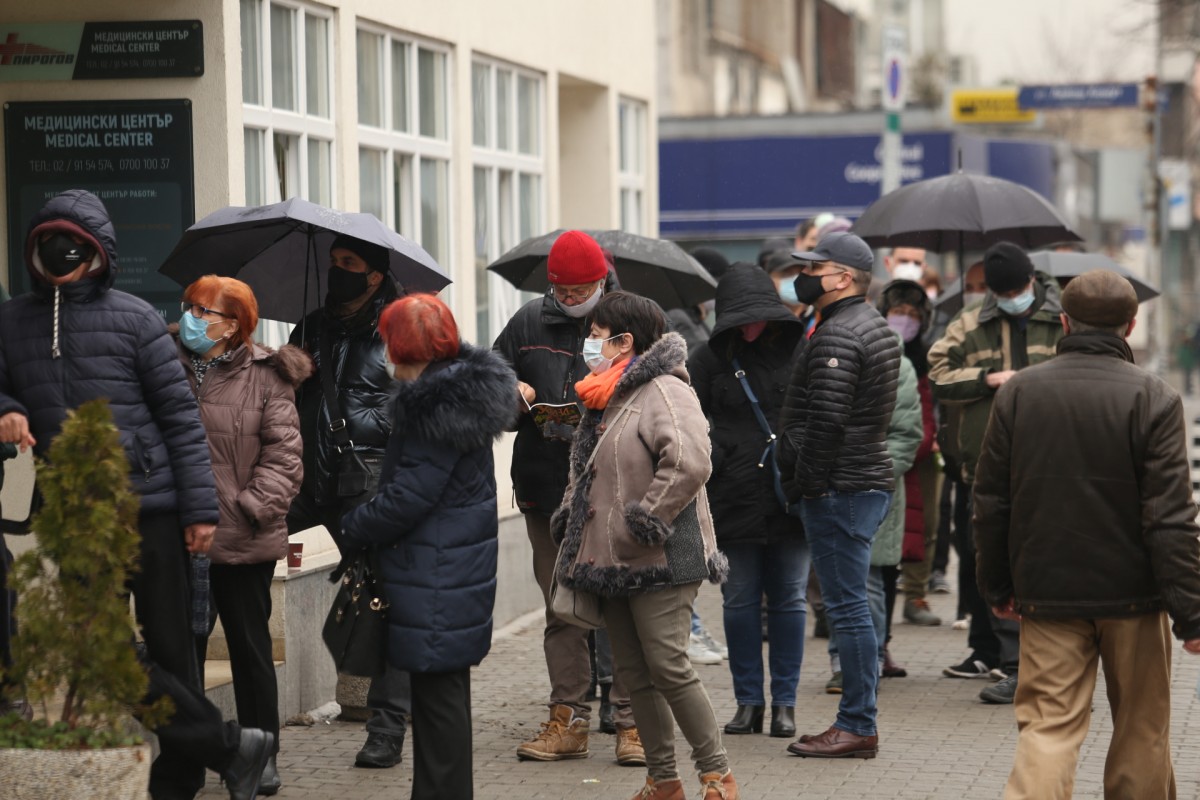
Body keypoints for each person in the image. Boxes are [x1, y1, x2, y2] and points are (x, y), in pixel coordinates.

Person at [0, 189, 271, 800]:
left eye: (75, 245)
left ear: (98, 251)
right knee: (102, 646)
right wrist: (9, 410)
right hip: (76, 515)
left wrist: (201, 511)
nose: (62, 256)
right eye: (50, 244)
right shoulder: (12, 320)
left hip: (152, 506)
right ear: (34, 250)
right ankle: (231, 747)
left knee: (174, 648)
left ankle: (176, 780)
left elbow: (180, 417)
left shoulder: (135, 317)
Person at [973, 269, 1200, 799]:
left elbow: (990, 503)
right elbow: (1171, 517)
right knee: (1142, 730)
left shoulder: (1020, 392)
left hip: (1047, 591)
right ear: (1132, 323)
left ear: (1065, 321)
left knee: (1048, 727)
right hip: (1135, 597)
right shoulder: (1155, 397)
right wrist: (1191, 612)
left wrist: (997, 586)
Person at [551, 291, 736, 800]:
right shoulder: (606, 393)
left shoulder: (664, 390)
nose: (588, 344)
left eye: (594, 334)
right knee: (636, 673)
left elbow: (691, 463)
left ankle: (717, 775)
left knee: (669, 665)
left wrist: (645, 521)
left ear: (623, 341)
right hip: (611, 562)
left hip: (662, 557)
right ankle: (663, 780)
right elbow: (589, 473)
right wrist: (571, 519)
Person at [340, 294, 517, 800]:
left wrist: (354, 525)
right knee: (444, 701)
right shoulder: (459, 393)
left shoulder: (432, 408)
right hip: (448, 569)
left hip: (434, 574)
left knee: (439, 705)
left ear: (402, 345)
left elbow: (407, 498)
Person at [493, 230, 641, 766]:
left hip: (615, 488)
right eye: (566, 291)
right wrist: (510, 394)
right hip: (545, 485)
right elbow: (490, 378)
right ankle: (568, 719)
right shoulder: (529, 321)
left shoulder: (633, 321)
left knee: (623, 605)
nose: (575, 299)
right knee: (563, 608)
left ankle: (632, 723)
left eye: (585, 290)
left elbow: (659, 390)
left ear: (603, 280)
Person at [178, 276, 312, 796]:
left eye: (203, 310)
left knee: (250, 650)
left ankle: (263, 752)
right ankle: (189, 755)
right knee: (181, 654)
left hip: (240, 537)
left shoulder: (266, 375)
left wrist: (250, 507)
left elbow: (285, 457)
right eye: (188, 305)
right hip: (180, 536)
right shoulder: (166, 365)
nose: (190, 316)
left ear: (233, 325)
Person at [286, 234, 413, 769]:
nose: (338, 271)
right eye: (334, 263)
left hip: (368, 479)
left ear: (374, 276)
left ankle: (387, 726)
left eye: (350, 264)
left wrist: (361, 424)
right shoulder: (312, 327)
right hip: (308, 481)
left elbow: (414, 401)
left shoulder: (400, 330)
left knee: (381, 602)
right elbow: (285, 400)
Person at [777, 231, 900, 759]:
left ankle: (856, 724)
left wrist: (807, 483)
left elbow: (825, 422)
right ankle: (857, 721)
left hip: (839, 485)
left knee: (847, 609)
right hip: (858, 479)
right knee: (852, 606)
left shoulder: (837, 333)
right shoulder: (871, 324)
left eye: (815, 267)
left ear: (843, 277)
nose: (804, 275)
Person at [928, 242, 1064, 704]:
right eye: (1000, 291)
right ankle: (1002, 658)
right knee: (987, 559)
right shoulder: (971, 320)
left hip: (1050, 465)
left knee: (1036, 563)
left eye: (1017, 289)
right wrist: (987, 378)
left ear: (1033, 282)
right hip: (984, 465)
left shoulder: (1063, 316)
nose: (1011, 298)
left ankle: (1032, 663)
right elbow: (937, 373)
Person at [688, 264, 807, 739]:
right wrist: (719, 453)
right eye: (741, 318)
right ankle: (748, 703)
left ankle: (787, 705)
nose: (751, 327)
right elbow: (689, 421)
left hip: (789, 492)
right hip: (732, 494)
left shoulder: (799, 350)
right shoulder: (708, 357)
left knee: (789, 600)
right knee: (738, 601)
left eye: (758, 316)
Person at [878, 281, 942, 629]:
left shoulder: (928, 357)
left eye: (913, 315)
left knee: (925, 525)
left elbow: (934, 406)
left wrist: (929, 438)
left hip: (925, 451)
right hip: (882, 451)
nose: (904, 320)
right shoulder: (875, 349)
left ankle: (916, 594)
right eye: (898, 312)